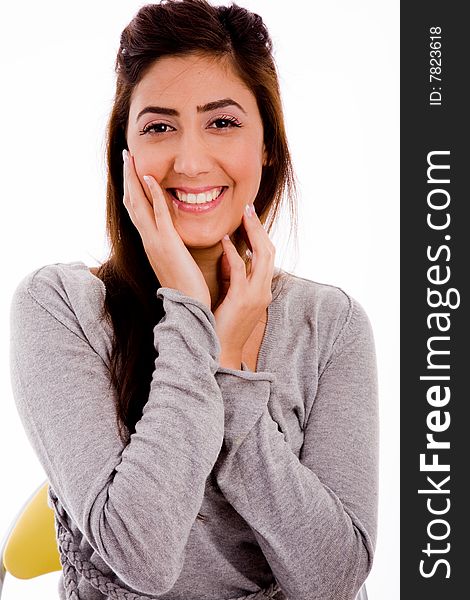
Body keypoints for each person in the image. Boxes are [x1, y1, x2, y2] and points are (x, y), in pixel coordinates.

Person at [9, 1, 378, 599]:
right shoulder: (60, 308)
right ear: (123, 155)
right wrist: (190, 312)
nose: (190, 160)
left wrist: (231, 381)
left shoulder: (330, 325)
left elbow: (334, 580)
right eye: (158, 126)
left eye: (223, 122)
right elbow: (141, 555)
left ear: (267, 146)